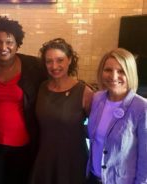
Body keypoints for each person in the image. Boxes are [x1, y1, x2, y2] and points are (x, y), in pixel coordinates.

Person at [0, 16, 44, 184]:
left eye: (9, 42)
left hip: (22, 146)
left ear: (17, 44)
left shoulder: (33, 66)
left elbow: (55, 82)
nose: (3, 47)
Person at [30, 38, 94, 184]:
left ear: (70, 60)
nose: (54, 66)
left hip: (73, 161)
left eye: (60, 60)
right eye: (49, 61)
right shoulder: (41, 88)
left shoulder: (84, 92)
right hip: (45, 159)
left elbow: (97, 129)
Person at [86, 48, 147, 184]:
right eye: (108, 70)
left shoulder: (142, 108)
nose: (113, 77)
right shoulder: (97, 99)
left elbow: (145, 158)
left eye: (121, 71)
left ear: (130, 73)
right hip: (92, 177)